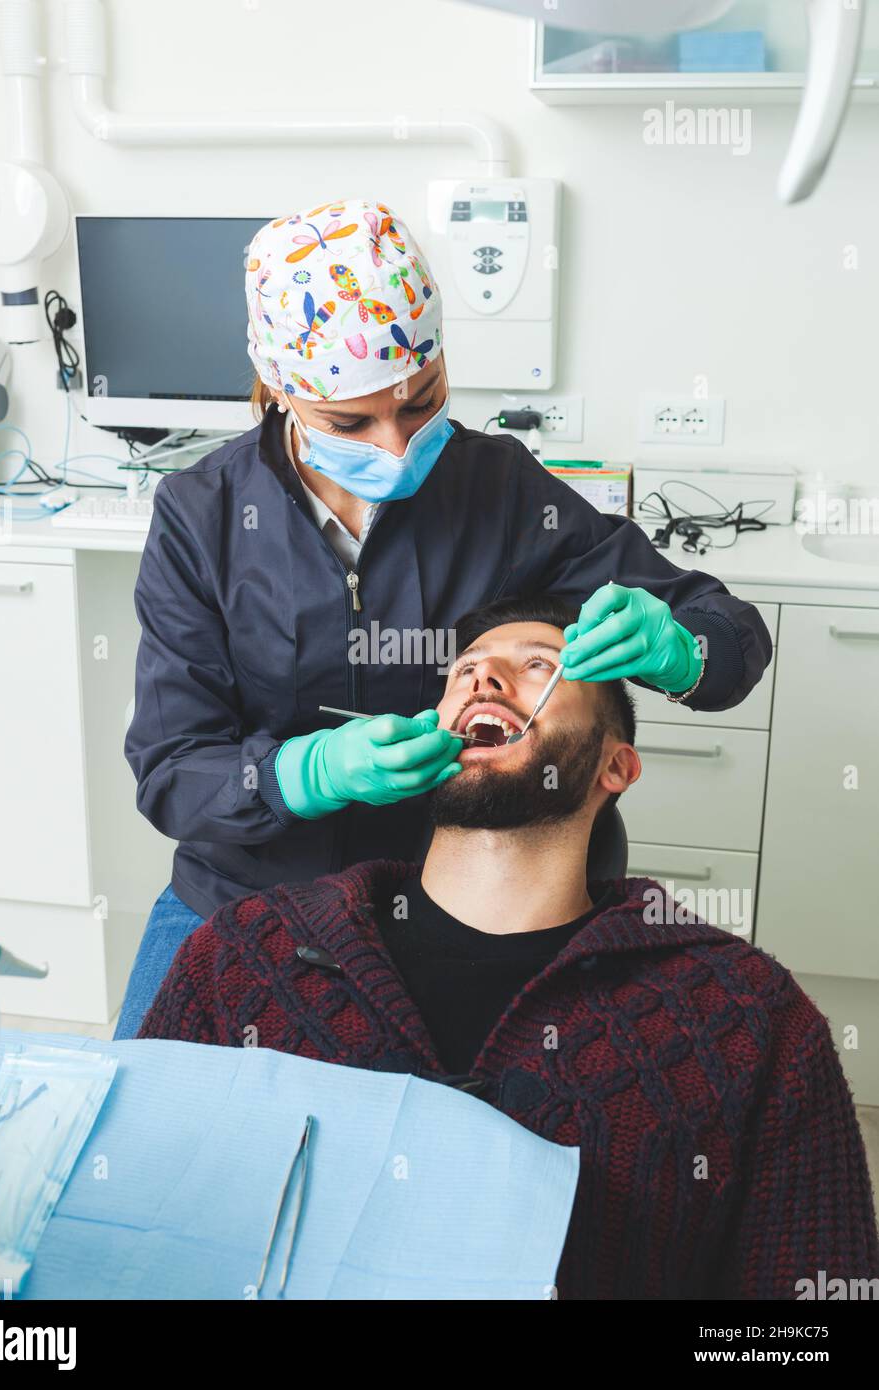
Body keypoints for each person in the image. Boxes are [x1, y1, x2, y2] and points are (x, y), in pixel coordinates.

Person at [117, 195, 772, 1040]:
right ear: (280, 390)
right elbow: (173, 768)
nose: (395, 447)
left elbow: (727, 626)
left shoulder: (496, 488)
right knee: (133, 1126)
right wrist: (303, 774)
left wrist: (687, 651)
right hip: (249, 893)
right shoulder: (201, 516)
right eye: (349, 422)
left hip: (475, 897)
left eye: (421, 402)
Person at [137, 594, 878, 1300]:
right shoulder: (242, 954)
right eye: (464, 671)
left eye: (536, 666)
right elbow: (131, 1236)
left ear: (615, 767)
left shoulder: (748, 1017)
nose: (482, 676)